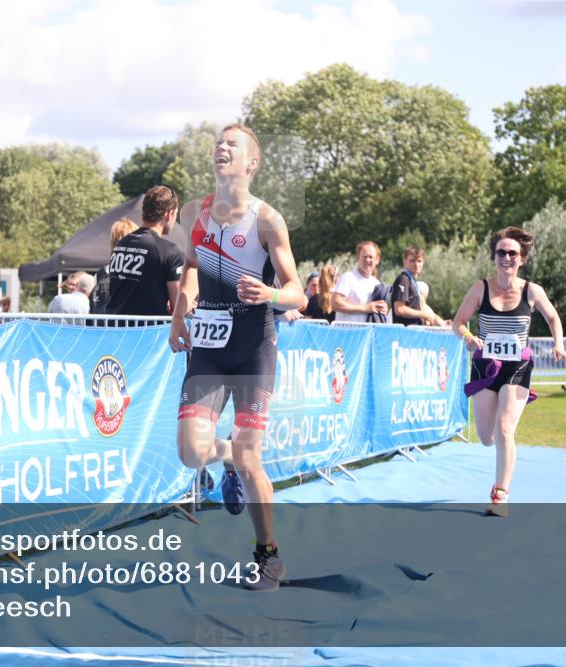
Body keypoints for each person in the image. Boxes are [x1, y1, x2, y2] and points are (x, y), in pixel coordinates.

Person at [168, 124, 305, 591]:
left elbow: (298, 294)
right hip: (207, 349)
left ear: (252, 163)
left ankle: (269, 556)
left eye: (233, 145)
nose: (222, 149)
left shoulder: (268, 220)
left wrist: (269, 291)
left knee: (252, 458)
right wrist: (180, 314)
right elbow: (190, 266)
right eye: (218, 144)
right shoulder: (193, 213)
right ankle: (223, 457)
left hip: (252, 350)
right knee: (190, 454)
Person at [451, 227, 564, 518]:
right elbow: (458, 322)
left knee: (504, 429)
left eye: (512, 253)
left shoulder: (531, 291)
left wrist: (559, 344)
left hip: (517, 367)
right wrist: (468, 337)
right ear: (494, 257)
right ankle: (500, 472)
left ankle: (500, 495)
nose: (506, 257)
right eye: (501, 252)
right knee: (487, 437)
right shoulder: (481, 289)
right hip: (485, 366)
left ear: (521, 258)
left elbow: (553, 317)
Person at [107, 185, 185, 316]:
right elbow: (178, 306)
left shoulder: (121, 244)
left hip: (117, 331)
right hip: (149, 333)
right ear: (169, 214)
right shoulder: (170, 251)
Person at [91, 218, 139, 314]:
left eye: (125, 237)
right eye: (116, 239)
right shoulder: (102, 272)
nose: (120, 242)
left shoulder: (143, 268)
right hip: (107, 324)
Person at [333, 241, 388, 323]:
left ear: (377, 260)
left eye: (370, 257)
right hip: (347, 333)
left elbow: (375, 307)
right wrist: (366, 308)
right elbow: (335, 303)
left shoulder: (376, 283)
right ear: (358, 258)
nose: (367, 260)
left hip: (367, 333)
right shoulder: (348, 278)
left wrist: (383, 308)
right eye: (364, 256)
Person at [392, 247, 446, 327]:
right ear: (405, 261)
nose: (416, 264)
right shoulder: (403, 279)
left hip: (415, 331)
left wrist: (439, 321)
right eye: (412, 261)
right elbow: (400, 309)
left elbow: (422, 308)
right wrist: (424, 315)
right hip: (405, 332)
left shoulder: (412, 281)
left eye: (419, 261)